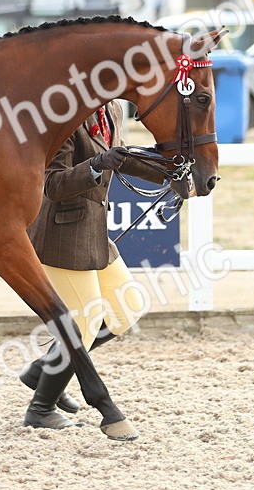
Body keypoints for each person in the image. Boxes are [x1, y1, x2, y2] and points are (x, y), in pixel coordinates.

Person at [20, 99, 164, 433]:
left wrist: (167, 172)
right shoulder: (63, 114)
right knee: (83, 323)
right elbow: (51, 183)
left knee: (128, 308)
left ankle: (44, 372)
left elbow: (122, 157)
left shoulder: (112, 110)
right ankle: (40, 408)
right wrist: (97, 165)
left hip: (94, 233)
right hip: (60, 233)